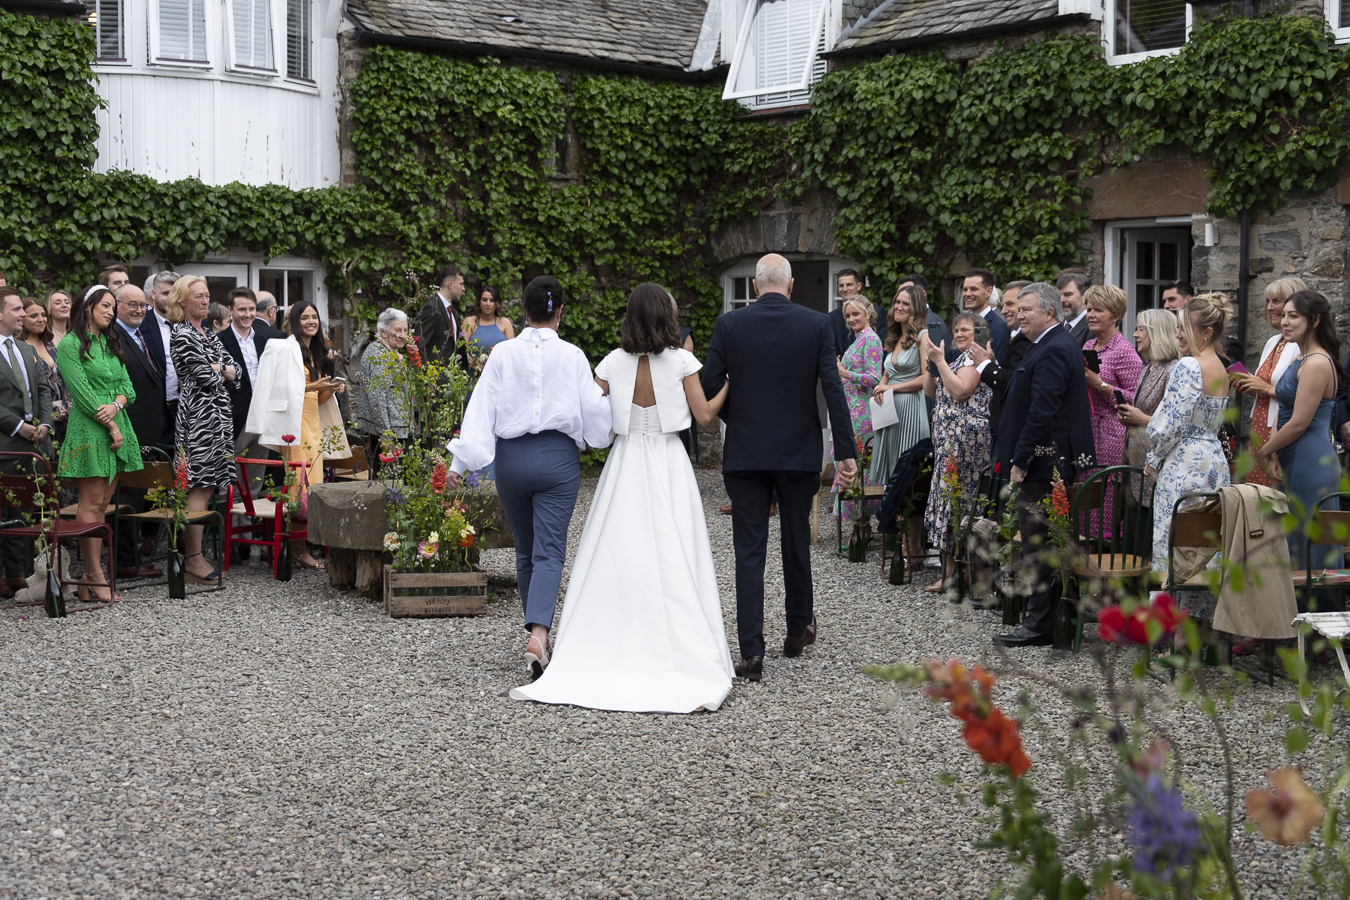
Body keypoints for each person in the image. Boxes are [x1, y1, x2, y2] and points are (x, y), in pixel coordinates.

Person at [510, 284, 731, 712]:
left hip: (625, 459)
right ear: (666, 314)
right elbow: (704, 418)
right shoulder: (683, 361)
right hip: (668, 460)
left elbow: (592, 415)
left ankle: (609, 635)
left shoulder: (612, 361)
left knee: (619, 549)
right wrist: (729, 387)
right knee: (675, 550)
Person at [446, 276, 612, 677]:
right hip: (556, 460)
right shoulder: (573, 356)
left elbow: (480, 409)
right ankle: (538, 633)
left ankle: (538, 634)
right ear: (560, 312)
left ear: (523, 312)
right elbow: (595, 418)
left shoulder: (502, 354)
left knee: (525, 548)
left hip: (512, 461)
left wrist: (459, 465)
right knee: (549, 550)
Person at [702, 254, 855, 682]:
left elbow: (711, 384)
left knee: (749, 552)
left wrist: (744, 416)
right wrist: (846, 451)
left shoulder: (729, 325)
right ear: (789, 287)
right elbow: (833, 388)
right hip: (798, 451)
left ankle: (751, 651)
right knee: (795, 541)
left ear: (755, 286)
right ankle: (799, 625)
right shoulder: (816, 324)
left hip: (747, 453)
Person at [992, 283, 1095, 648]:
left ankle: (1039, 626)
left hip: (1044, 463)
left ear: (1049, 313)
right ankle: (1045, 620)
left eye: (1027, 310)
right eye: (1018, 310)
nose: (1019, 315)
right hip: (1045, 461)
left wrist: (1021, 459)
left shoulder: (1054, 348)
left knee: (1038, 544)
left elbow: (1042, 411)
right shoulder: (1048, 344)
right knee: (1042, 543)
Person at [246, 301, 351, 570]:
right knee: (298, 487)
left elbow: (319, 398)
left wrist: (330, 386)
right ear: (294, 321)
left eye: (314, 317)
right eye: (304, 317)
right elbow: (273, 388)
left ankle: (301, 547)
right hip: (291, 425)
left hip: (313, 425)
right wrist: (313, 385)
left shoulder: (320, 352)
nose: (310, 322)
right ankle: (294, 550)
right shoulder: (281, 346)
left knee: (311, 488)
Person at [1146, 293, 1233, 612]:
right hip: (1213, 461)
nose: (1178, 335)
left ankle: (1171, 629)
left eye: (1183, 328)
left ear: (1206, 332)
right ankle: (1202, 624)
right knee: (1204, 543)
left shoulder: (1189, 366)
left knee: (1175, 541)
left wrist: (1154, 458)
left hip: (1183, 463)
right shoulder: (1221, 368)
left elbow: (1172, 422)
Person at [56, 285, 143, 602]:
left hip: (117, 424)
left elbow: (127, 388)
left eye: (112, 307)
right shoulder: (70, 344)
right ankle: (94, 574)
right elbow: (81, 394)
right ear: (87, 307)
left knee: (103, 504)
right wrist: (109, 424)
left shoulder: (109, 342)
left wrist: (117, 407)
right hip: (91, 430)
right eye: (105, 306)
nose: (110, 311)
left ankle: (87, 580)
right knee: (90, 504)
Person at [1256, 290, 1343, 575]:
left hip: (1311, 461)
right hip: (1292, 455)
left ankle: (1316, 610)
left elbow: (1299, 423)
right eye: (1285, 315)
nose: (1284, 322)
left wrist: (1266, 450)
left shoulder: (1318, 362)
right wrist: (1275, 453)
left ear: (1315, 320)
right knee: (1291, 540)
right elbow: (1284, 414)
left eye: (1294, 316)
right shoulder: (1300, 359)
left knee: (1309, 539)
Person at [168, 276, 240, 585]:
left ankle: (193, 556)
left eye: (207, 295)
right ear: (182, 300)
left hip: (219, 419)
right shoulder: (181, 334)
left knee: (210, 485)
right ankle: (193, 559)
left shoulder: (210, 333)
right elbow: (206, 377)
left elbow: (235, 371)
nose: (204, 301)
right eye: (198, 296)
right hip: (197, 418)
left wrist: (219, 369)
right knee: (197, 485)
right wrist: (218, 370)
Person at [921, 312, 993, 593]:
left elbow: (961, 391)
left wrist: (940, 362)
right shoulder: (956, 359)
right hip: (948, 445)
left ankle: (962, 576)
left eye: (966, 330)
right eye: (956, 330)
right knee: (950, 502)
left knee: (961, 504)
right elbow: (930, 392)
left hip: (967, 447)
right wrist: (932, 366)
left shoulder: (979, 358)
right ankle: (951, 574)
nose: (959, 334)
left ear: (981, 333)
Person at [1114, 309, 1182, 554]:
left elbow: (1176, 422)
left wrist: (1140, 418)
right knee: (1134, 539)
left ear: (1157, 332)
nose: (1135, 334)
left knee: (1149, 542)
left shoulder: (1173, 369)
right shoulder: (1148, 368)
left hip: (1155, 468)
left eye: (1141, 328)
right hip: (1136, 469)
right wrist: (1129, 416)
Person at [0, 289, 54, 595]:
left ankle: (18, 572)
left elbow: (43, 389)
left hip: (34, 445)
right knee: (2, 511)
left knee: (23, 511)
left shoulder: (25, 349)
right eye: (17, 309)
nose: (23, 314)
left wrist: (44, 423)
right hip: (5, 442)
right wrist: (18, 426)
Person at [111, 284, 166, 580]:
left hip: (149, 428)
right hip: (127, 427)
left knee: (138, 494)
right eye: (131, 304)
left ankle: (130, 557)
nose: (138, 310)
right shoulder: (113, 338)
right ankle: (125, 561)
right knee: (128, 496)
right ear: (116, 305)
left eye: (142, 305)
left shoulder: (140, 335)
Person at [1080, 284, 1143, 530]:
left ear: (1115, 315)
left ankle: (1106, 559)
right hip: (1089, 433)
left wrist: (1101, 385)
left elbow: (1136, 399)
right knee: (1086, 502)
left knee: (1105, 506)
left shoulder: (1124, 352)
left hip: (1113, 438)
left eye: (1099, 310)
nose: (1091, 315)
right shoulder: (1087, 347)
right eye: (1088, 309)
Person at [1235, 277, 1306, 487]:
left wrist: (1265, 387)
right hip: (1260, 422)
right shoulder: (1272, 342)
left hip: (1281, 425)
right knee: (1258, 492)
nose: (1270, 307)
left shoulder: (1301, 346)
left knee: (1276, 493)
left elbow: (1301, 392)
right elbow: (1266, 385)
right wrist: (1251, 386)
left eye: (1277, 301)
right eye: (1267, 301)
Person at [869, 285, 930, 486]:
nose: (899, 307)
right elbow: (887, 372)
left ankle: (905, 515)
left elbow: (926, 379)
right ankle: (889, 513)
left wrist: (890, 388)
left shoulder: (923, 336)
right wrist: (881, 386)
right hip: (888, 410)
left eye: (906, 303)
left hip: (909, 409)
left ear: (916, 309)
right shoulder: (895, 337)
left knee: (905, 467)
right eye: (897, 302)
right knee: (890, 468)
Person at [832, 297, 883, 529]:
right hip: (850, 410)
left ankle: (860, 528)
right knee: (853, 466)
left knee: (857, 466)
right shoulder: (858, 339)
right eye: (848, 316)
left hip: (861, 413)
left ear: (868, 314)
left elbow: (874, 378)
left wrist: (845, 373)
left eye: (856, 314)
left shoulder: (871, 339)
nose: (851, 319)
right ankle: (858, 527)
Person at [357, 308, 414, 474]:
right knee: (389, 484)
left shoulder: (389, 353)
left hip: (394, 429)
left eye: (405, 330)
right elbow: (377, 398)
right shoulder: (378, 355)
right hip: (389, 433)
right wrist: (386, 435)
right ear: (383, 332)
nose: (403, 335)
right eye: (398, 331)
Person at [20, 295, 71, 445]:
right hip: (38, 419)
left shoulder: (49, 345)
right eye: (33, 316)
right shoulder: (18, 347)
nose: (41, 319)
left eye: (43, 315)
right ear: (21, 317)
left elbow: (61, 381)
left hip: (63, 416)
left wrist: (62, 410)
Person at [139, 272, 180, 445]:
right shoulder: (141, 325)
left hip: (186, 409)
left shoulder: (193, 324)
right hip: (156, 410)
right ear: (153, 294)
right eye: (166, 293)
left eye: (175, 294)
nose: (171, 298)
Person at [418, 264, 470, 370]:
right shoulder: (432, 307)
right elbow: (420, 345)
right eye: (461, 284)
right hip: (436, 379)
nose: (463, 288)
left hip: (451, 378)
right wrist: (427, 378)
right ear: (450, 285)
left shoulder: (450, 308)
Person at [827, 269, 888, 355]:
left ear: (858, 286)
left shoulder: (877, 311)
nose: (845, 289)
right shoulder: (831, 317)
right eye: (841, 285)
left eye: (849, 284)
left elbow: (882, 345)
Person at [962, 268, 1011, 364]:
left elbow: (997, 365)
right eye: (965, 289)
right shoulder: (961, 324)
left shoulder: (999, 326)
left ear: (989, 292)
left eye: (974, 289)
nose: (967, 294)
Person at [462, 287, 515, 352]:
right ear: (479, 302)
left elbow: (512, 350)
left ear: (496, 303)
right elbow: (463, 349)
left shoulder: (505, 323)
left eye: (492, 300)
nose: (488, 304)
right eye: (484, 300)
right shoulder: (469, 322)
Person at [1057, 272, 1092, 347]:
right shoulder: (1055, 325)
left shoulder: (1093, 327)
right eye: (1059, 295)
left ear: (1084, 297)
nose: (1061, 300)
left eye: (1068, 295)